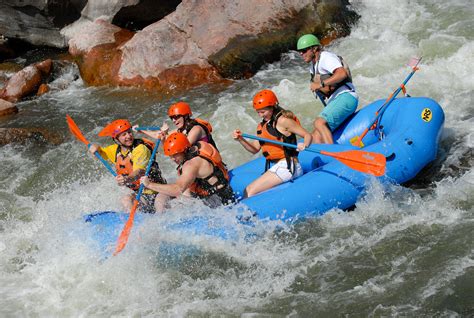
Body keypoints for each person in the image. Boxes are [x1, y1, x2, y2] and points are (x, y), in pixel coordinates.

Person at [232, 89, 312, 198]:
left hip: (288, 166)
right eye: (258, 112)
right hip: (279, 167)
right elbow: (254, 149)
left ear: (272, 107)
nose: (260, 115)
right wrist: (241, 139)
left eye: (263, 112)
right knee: (251, 192)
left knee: (249, 191)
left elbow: (307, 135)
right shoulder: (262, 127)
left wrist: (304, 145)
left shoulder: (283, 121)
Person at [88, 119, 169, 213]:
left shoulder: (141, 149)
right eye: (124, 134)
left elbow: (138, 172)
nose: (129, 136)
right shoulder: (115, 151)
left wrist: (126, 179)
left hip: (158, 191)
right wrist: (94, 148)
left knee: (159, 204)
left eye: (129, 132)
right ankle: (136, 224)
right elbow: (99, 151)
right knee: (126, 200)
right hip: (141, 194)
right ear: (116, 139)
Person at [140, 132, 235, 208]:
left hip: (219, 201)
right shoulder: (199, 146)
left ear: (183, 149)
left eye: (175, 155)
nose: (173, 159)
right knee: (163, 196)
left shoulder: (191, 165)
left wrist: (149, 184)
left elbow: (178, 189)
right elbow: (179, 140)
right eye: (171, 156)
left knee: (169, 204)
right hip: (223, 190)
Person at [297, 33, 358, 144]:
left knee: (319, 123)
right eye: (299, 51)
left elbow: (342, 73)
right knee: (316, 136)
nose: (301, 53)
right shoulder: (313, 67)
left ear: (314, 49)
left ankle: (334, 155)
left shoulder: (326, 57)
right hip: (335, 100)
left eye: (304, 50)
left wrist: (321, 84)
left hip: (346, 96)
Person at [140, 101, 219, 150]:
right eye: (172, 118)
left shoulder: (196, 129)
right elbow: (158, 135)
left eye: (177, 117)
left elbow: (182, 149)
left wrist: (164, 136)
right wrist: (141, 130)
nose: (174, 120)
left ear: (186, 116)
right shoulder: (181, 130)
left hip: (212, 168)